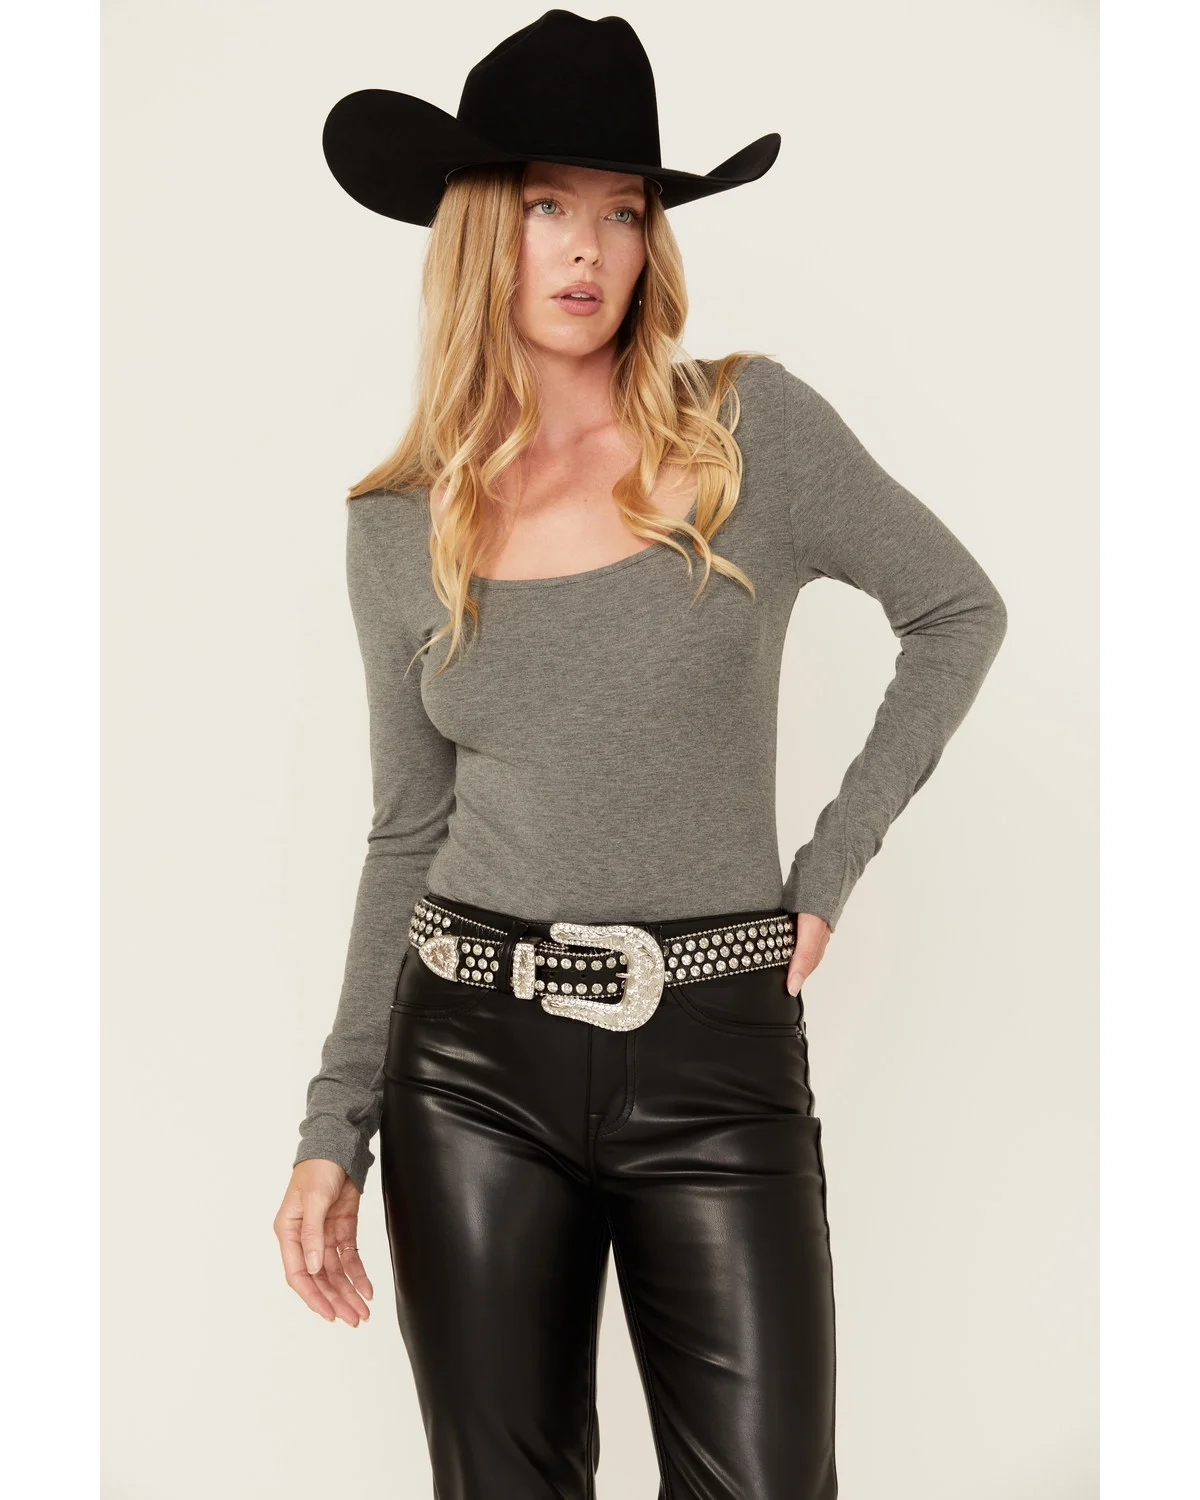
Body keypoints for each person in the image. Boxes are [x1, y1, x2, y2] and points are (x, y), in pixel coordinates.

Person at [273, 11, 1008, 1498]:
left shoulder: (750, 433)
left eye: (623, 211)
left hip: (717, 1053)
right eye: (548, 204)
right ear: (481, 227)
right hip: (469, 1061)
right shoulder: (398, 524)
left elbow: (955, 611)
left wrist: (831, 863)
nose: (587, 247)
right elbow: (407, 830)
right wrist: (334, 1122)